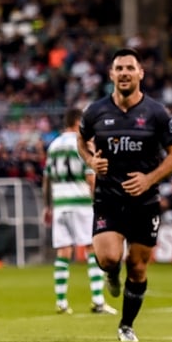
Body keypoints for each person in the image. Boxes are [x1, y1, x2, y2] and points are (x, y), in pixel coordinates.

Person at [77, 48, 172, 342]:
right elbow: (81, 140)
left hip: (144, 202)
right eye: (119, 68)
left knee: (137, 267)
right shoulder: (95, 111)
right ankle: (110, 273)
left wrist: (149, 179)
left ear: (140, 74)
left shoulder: (156, 113)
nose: (124, 73)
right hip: (109, 198)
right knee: (109, 258)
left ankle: (126, 325)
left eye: (130, 68)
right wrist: (91, 161)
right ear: (111, 74)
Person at [44, 107, 117, 315]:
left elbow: (46, 178)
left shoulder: (54, 145)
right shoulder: (82, 143)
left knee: (63, 251)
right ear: (78, 122)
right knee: (92, 248)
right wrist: (99, 201)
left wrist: (47, 206)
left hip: (60, 203)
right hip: (81, 202)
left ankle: (61, 302)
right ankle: (98, 300)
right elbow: (90, 176)